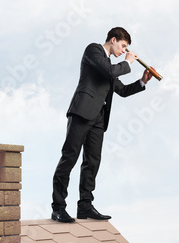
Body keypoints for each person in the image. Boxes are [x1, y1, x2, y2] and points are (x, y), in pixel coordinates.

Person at [51, 27, 153, 223]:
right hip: (81, 112)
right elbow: (109, 70)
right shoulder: (94, 51)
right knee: (69, 158)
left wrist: (142, 81)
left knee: (92, 162)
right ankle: (58, 208)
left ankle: (85, 206)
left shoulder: (110, 66)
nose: (124, 50)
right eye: (123, 46)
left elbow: (121, 90)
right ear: (113, 40)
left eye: (126, 49)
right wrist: (128, 62)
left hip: (99, 118)